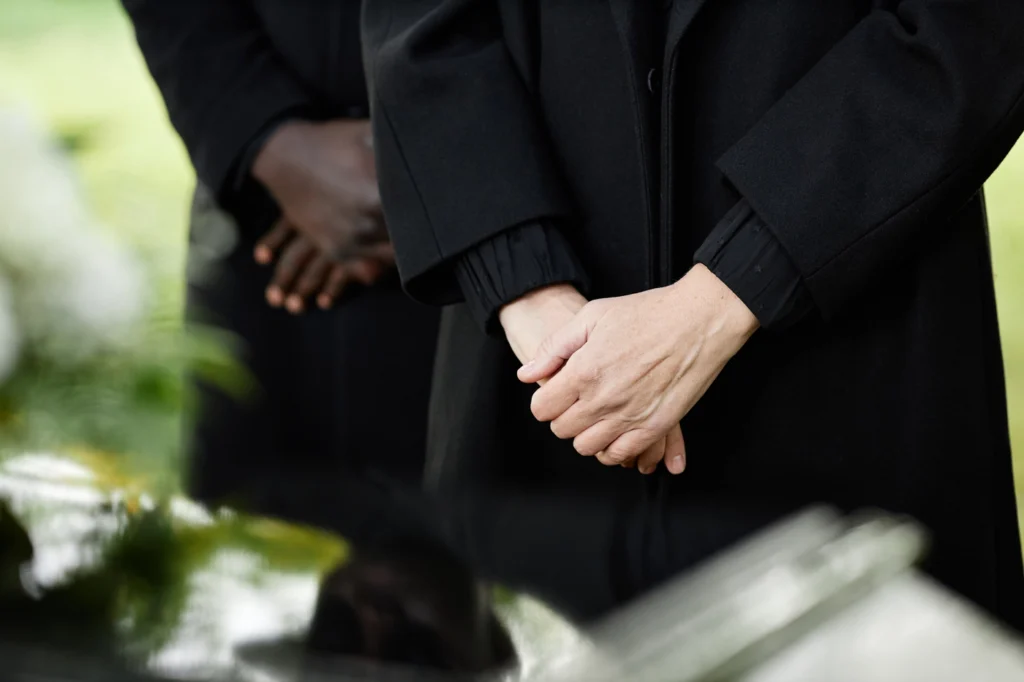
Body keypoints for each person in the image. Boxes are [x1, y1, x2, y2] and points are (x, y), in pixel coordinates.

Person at [362, 0, 1024, 628]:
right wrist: (527, 294)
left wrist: (728, 294)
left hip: (856, 332)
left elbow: (974, 24)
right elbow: (420, 21)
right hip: (539, 378)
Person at [121, 0, 439, 511]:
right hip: (270, 216)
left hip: (529, 230)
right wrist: (263, 135)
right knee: (257, 547)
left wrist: (466, 175)